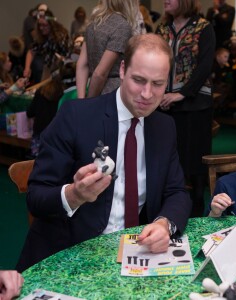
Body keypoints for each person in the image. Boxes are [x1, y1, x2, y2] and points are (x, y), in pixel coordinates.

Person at [16, 33, 192, 272]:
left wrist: (164, 224)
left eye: (158, 84)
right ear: (122, 70)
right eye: (138, 80)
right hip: (69, 256)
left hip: (133, 255)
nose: (147, 94)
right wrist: (74, 195)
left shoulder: (164, 127)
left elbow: (177, 192)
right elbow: (36, 197)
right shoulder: (76, 117)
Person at [156, 0, 216, 217]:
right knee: (170, 159)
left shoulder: (203, 27)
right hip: (164, 105)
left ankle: (198, 210)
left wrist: (181, 93)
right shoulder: (162, 29)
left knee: (196, 163)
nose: (166, 1)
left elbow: (205, 66)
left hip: (195, 104)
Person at [76, 0, 139, 99]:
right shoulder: (122, 26)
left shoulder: (93, 23)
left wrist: (81, 99)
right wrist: (89, 102)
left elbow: (82, 65)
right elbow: (100, 73)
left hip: (94, 89)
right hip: (113, 94)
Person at [23, 10, 69, 83]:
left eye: (44, 25)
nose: (41, 28)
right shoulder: (42, 37)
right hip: (48, 68)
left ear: (51, 24)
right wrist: (27, 68)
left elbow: (67, 56)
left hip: (61, 69)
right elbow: (31, 51)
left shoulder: (61, 37)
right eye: (40, 25)